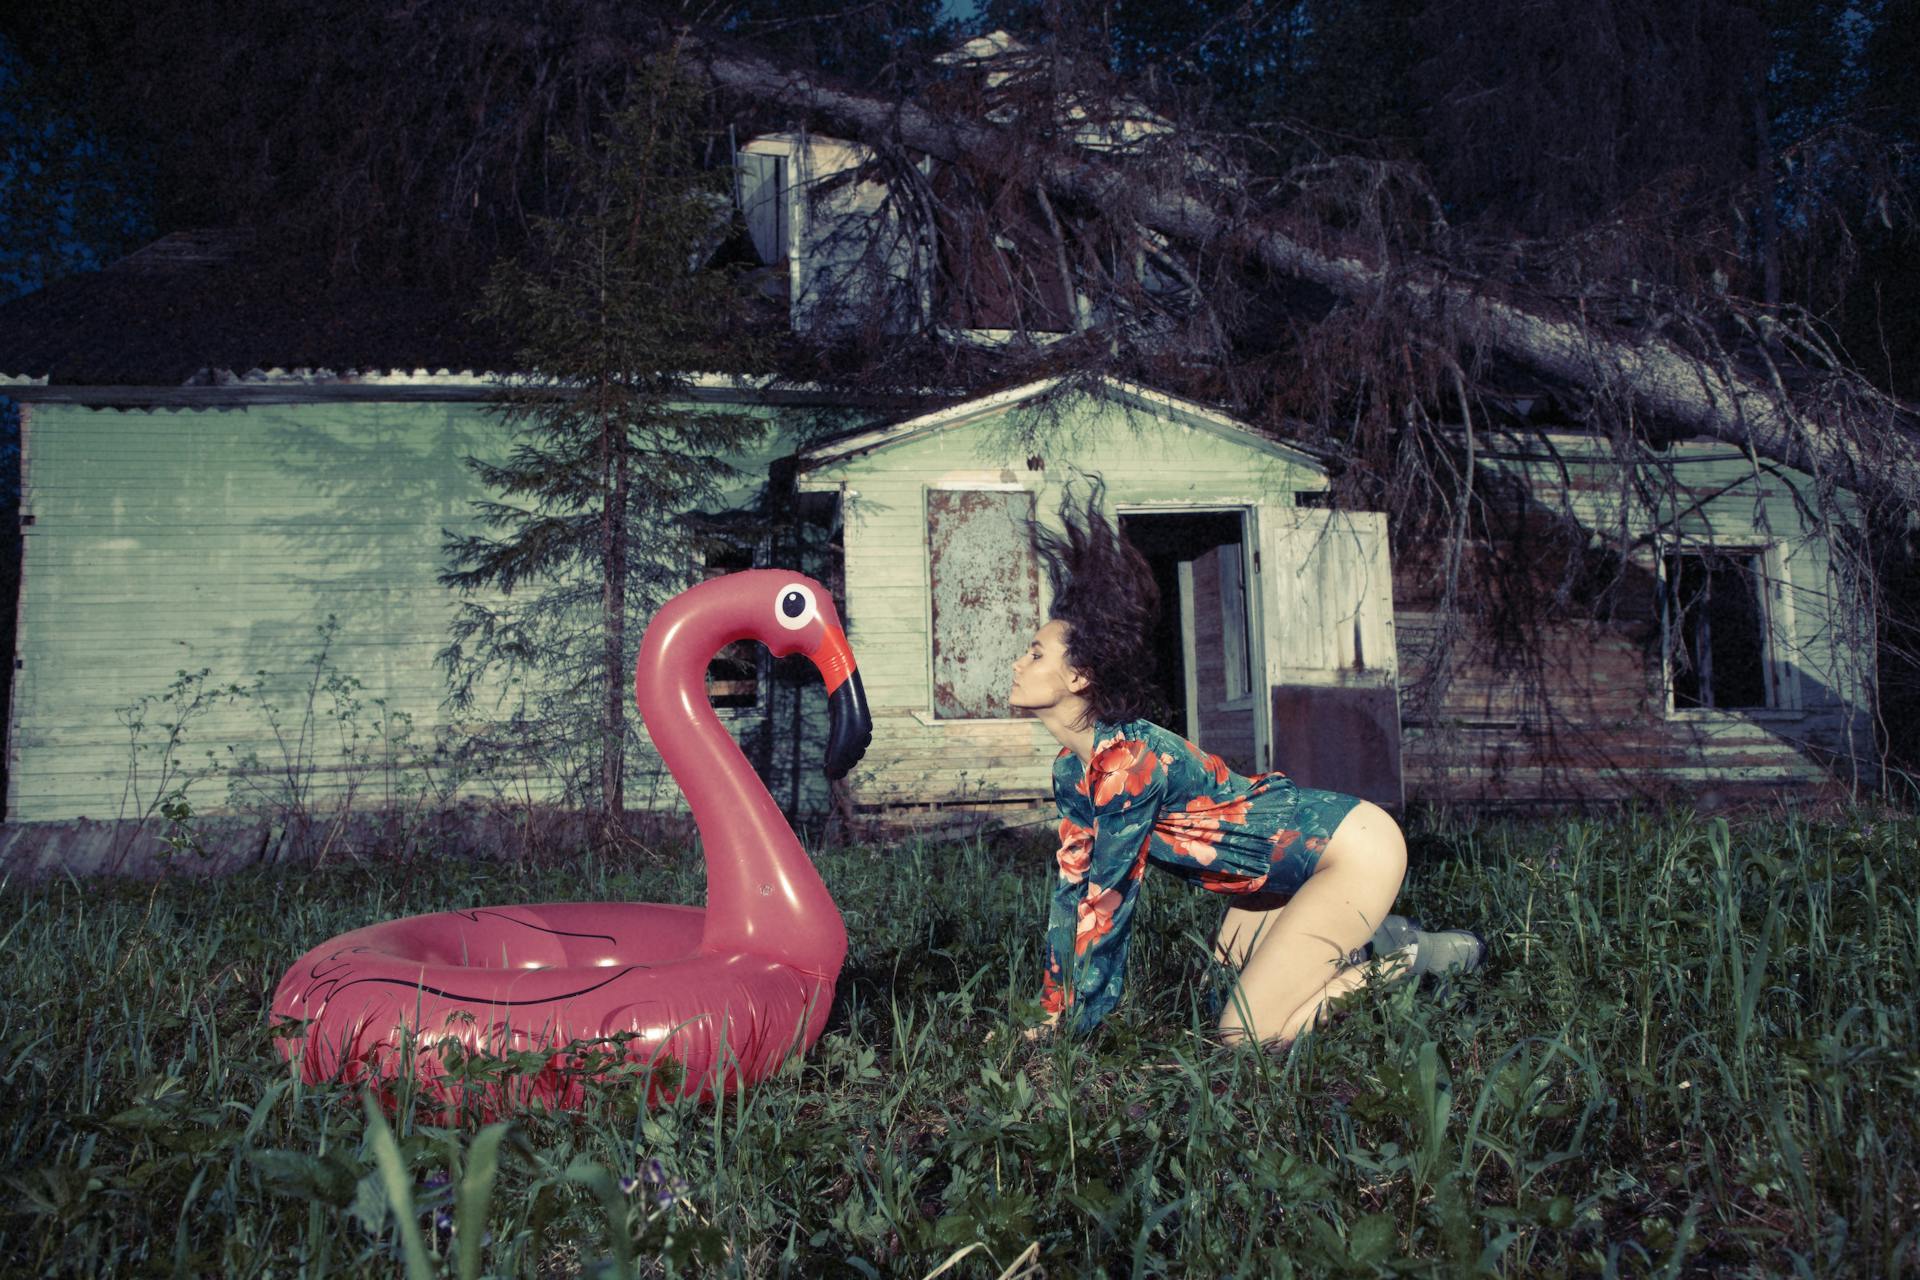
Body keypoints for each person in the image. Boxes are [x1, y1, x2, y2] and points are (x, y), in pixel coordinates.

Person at [1012, 478, 1483, 1045]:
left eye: (1035, 654)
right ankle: (1368, 936)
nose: (1019, 663)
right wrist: (1050, 1012)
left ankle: (1405, 958)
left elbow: (1108, 904)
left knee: (1244, 1036)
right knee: (1219, 992)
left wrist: (1073, 1033)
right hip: (1268, 877)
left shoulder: (1130, 762)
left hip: (1354, 849)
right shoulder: (1073, 769)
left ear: (1078, 678)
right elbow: (1074, 892)